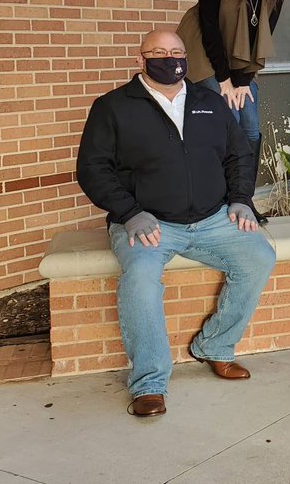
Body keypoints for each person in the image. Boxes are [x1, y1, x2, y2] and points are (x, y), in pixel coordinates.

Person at [76, 29, 277, 417]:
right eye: (159, 53)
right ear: (141, 60)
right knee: (140, 277)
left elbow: (239, 154)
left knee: (257, 256)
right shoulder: (113, 107)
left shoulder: (210, 101)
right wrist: (130, 212)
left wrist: (240, 200)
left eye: (177, 52)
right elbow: (92, 169)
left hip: (211, 219)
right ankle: (150, 382)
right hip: (147, 223)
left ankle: (215, 346)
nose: (170, 60)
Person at [177, 0, 290, 222]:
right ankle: (216, 200)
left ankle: (243, 198)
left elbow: (267, 28)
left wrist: (243, 80)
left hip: (243, 56)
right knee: (226, 120)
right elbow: (208, 23)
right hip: (206, 49)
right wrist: (225, 80)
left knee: (251, 129)